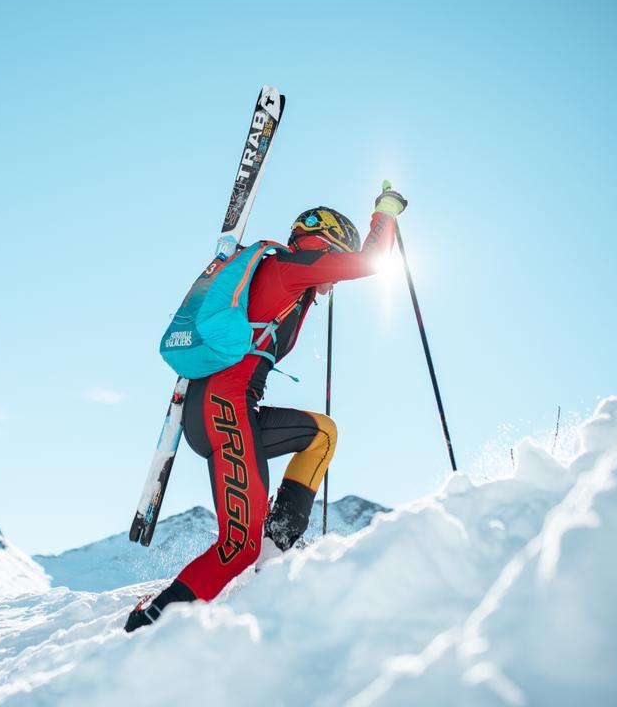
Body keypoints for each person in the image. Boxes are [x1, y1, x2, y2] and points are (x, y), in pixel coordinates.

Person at [124, 184, 407, 632]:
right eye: (336, 261)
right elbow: (371, 261)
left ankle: (275, 557)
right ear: (329, 244)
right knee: (238, 544)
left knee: (323, 433)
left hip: (232, 409)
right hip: (222, 409)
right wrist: (385, 214)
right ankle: (146, 628)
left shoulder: (292, 283)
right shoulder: (290, 266)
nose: (333, 282)